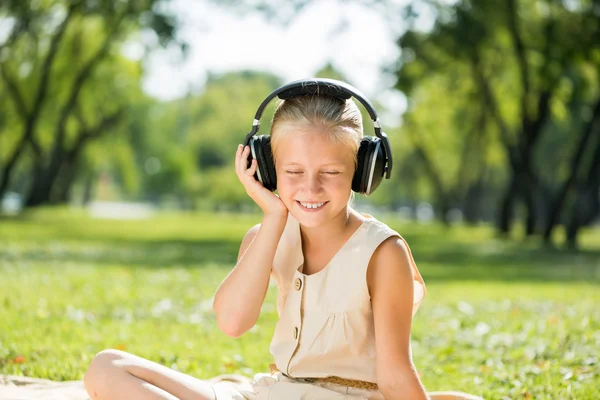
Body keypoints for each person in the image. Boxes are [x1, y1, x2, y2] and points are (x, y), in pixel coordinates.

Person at [83, 79, 483, 400]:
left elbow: (395, 377)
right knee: (108, 367)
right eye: (293, 172)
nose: (310, 188)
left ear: (364, 172)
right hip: (273, 391)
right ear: (268, 169)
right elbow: (233, 322)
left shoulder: (383, 253)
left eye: (330, 172)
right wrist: (273, 216)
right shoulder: (267, 237)